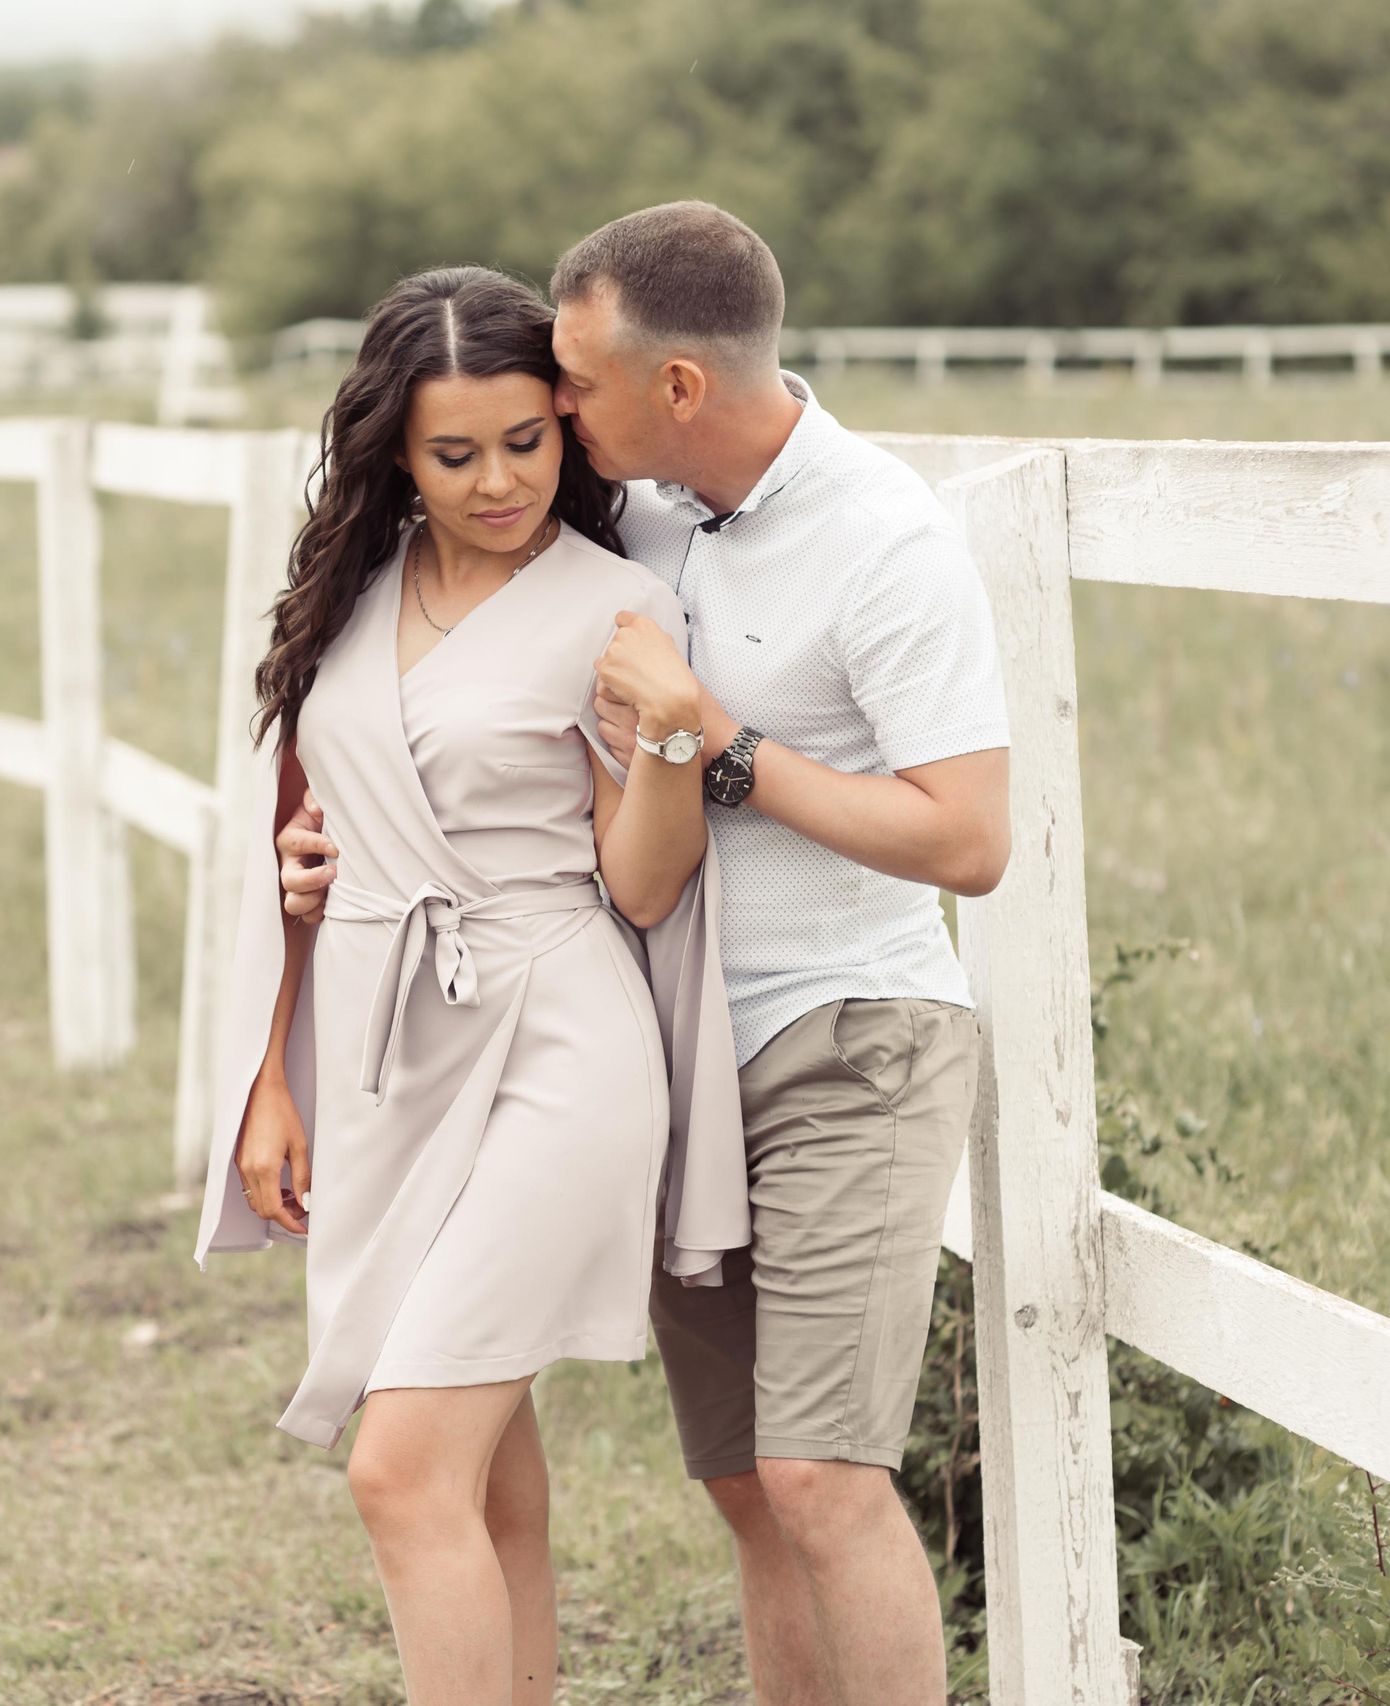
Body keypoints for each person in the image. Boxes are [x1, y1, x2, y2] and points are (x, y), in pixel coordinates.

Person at [281, 203, 1013, 1706]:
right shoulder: (650, 515)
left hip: (841, 1027)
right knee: (748, 1484)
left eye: (571, 387)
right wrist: (324, 859)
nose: (551, 412)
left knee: (818, 1475)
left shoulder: (884, 540)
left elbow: (970, 842)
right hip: (684, 1049)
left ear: (673, 387)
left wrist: (715, 741)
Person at [192, 265, 750, 1706]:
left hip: (555, 1035)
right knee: (490, 1476)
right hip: (381, 1054)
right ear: (394, 450)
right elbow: (295, 829)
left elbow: (641, 885)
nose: (499, 479)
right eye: (456, 453)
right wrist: (272, 1077)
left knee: (400, 1465)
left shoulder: (616, 609)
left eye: (527, 440)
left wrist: (677, 742)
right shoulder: (351, 595)